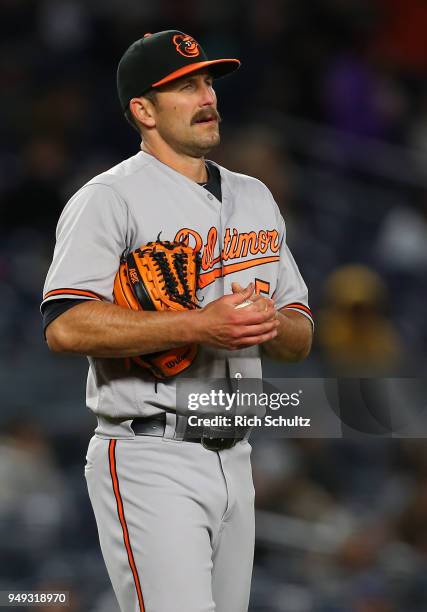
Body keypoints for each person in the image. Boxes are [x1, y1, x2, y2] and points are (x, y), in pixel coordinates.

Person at [41, 30, 313, 612]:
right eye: (185, 86)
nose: (207, 96)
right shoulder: (109, 198)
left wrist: (269, 322)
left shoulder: (255, 197)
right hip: (148, 452)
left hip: (237, 451)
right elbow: (66, 326)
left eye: (208, 82)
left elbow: (300, 334)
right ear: (143, 110)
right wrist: (196, 326)